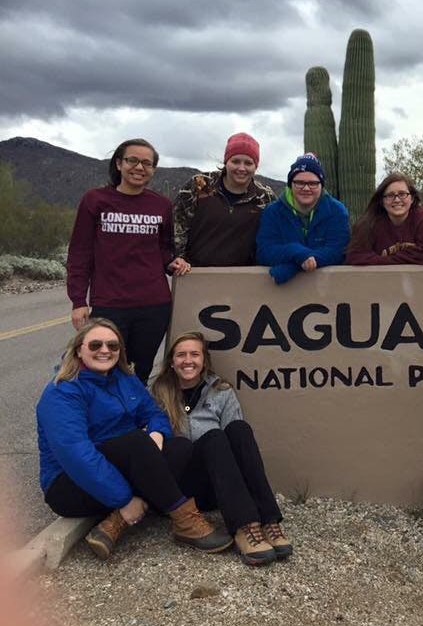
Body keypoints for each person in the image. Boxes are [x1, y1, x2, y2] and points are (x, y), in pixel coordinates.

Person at [36, 319, 233, 559]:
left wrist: (157, 435)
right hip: (70, 484)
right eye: (96, 345)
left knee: (179, 447)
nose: (105, 350)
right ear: (79, 349)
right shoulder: (63, 391)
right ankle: (185, 522)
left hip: (118, 464)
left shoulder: (124, 379)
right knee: (135, 442)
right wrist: (125, 499)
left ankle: (116, 521)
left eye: (113, 345)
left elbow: (154, 414)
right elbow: (77, 456)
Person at [151, 331, 292, 566]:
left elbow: (237, 445)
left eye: (195, 354)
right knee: (214, 437)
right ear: (172, 362)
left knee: (239, 428)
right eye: (181, 355)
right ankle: (243, 526)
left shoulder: (221, 390)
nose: (188, 360)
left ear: (204, 360)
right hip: (182, 487)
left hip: (217, 485)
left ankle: (268, 521)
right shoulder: (157, 393)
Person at [67, 138, 190, 384]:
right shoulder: (95, 200)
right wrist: (78, 300)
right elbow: (80, 252)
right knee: (103, 368)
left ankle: (134, 410)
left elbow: (164, 249)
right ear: (119, 163)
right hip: (109, 304)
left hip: (154, 305)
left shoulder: (161, 205)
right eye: (132, 160)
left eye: (147, 163)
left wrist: (173, 263)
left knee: (139, 371)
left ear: (153, 169)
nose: (139, 167)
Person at [173, 132, 276, 267]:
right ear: (226, 162)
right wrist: (178, 258)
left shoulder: (264, 197)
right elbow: (178, 224)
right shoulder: (199, 184)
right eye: (235, 161)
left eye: (248, 163)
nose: (241, 168)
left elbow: (273, 235)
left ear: (255, 166)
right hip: (194, 271)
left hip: (243, 274)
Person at [255, 154, 350, 284]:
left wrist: (293, 267)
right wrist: (295, 251)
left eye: (313, 183)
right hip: (282, 293)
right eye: (299, 183)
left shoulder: (337, 211)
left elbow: (338, 251)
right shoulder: (272, 211)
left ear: (321, 185)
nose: (306, 188)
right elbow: (264, 252)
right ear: (290, 184)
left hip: (327, 288)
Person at [345, 172, 423, 265]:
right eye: (390, 195)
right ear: (382, 201)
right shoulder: (369, 222)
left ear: (412, 199)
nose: (396, 200)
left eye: (402, 194)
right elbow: (354, 256)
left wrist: (386, 260)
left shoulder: (422, 218)